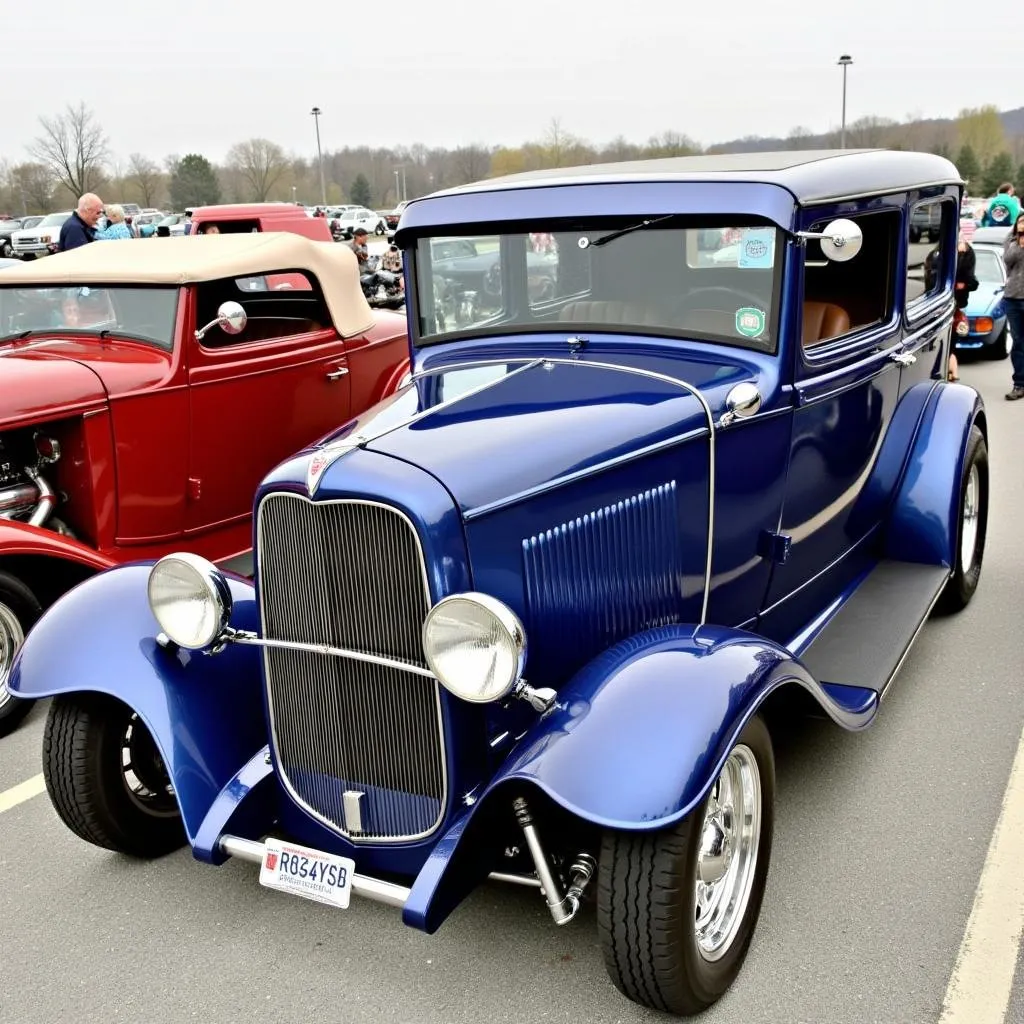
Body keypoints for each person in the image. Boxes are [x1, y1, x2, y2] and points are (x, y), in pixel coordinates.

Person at [1002, 212, 1024, 400]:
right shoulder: (1011, 241)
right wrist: (1019, 244)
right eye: (1021, 221)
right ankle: (1019, 384)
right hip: (1013, 299)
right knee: (1018, 343)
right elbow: (1008, 260)